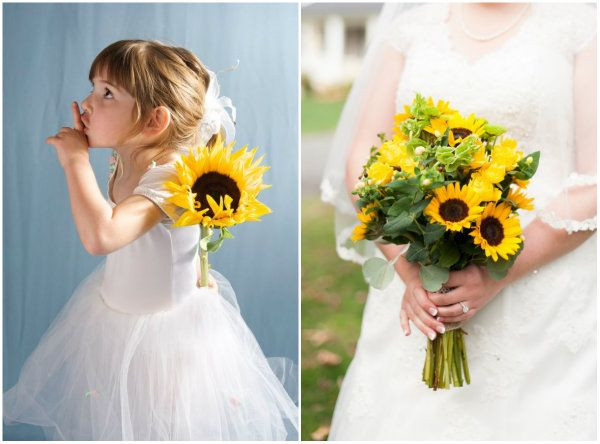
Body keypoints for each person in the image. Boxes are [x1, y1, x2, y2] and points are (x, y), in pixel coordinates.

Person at [321, 3, 596, 440]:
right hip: (420, 282)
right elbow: (363, 162)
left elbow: (594, 181)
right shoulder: (410, 28)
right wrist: (410, 268)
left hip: (543, 287)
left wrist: (496, 271)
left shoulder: (580, 24)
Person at [4, 40, 298, 440]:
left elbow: (102, 235)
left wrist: (75, 161)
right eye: (92, 87)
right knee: (120, 419)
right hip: (115, 319)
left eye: (107, 93)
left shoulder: (173, 175)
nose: (86, 103)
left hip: (167, 341)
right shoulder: (127, 155)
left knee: (167, 424)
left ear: (153, 122)